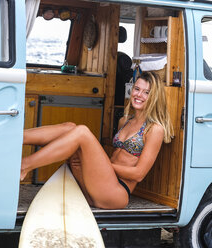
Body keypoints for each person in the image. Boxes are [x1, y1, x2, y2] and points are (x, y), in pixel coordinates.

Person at [21, 71, 173, 209]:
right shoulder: (125, 121)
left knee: (82, 132)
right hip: (97, 186)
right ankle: (18, 137)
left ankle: (24, 165)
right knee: (70, 127)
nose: (139, 95)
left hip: (116, 193)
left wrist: (100, 164)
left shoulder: (154, 129)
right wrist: (90, 163)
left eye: (146, 92)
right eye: (137, 89)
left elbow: (138, 174)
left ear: (154, 97)